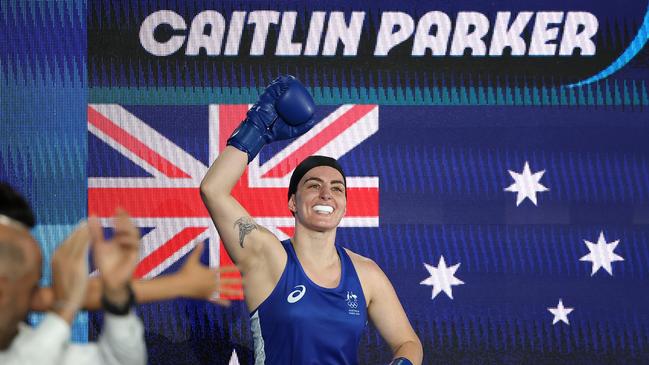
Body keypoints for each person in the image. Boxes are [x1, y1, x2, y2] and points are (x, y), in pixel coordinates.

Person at [200, 76, 423, 365]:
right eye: (314, 185)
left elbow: (408, 342)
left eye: (337, 188)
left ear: (343, 206)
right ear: (293, 201)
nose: (326, 194)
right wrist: (257, 129)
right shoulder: (268, 255)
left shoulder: (367, 274)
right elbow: (213, 189)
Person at [0, 183, 146, 364]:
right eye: (33, 289)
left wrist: (118, 303)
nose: (42, 297)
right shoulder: (43, 345)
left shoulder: (29, 344)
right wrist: (64, 309)